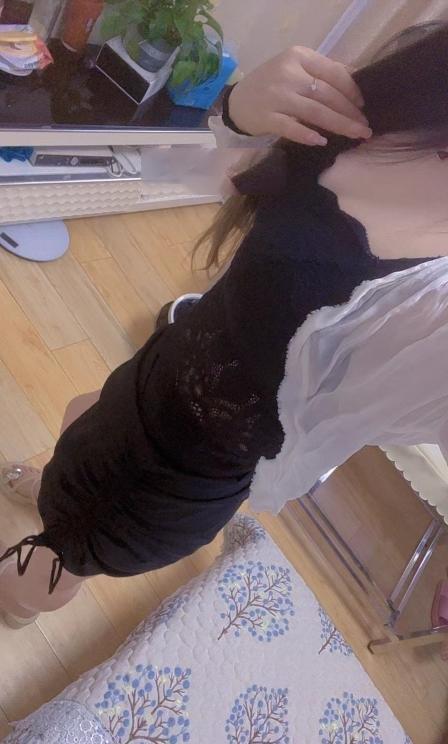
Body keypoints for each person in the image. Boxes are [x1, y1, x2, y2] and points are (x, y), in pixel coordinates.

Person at [2, 26, 448, 637]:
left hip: (181, 478)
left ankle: (22, 600)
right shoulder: (410, 96)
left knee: (55, 563)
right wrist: (236, 114)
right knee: (80, 421)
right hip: (165, 366)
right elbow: (197, 185)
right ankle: (53, 496)